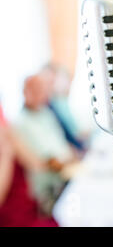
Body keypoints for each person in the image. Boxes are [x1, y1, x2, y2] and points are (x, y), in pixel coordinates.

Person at [14, 74, 78, 214]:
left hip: (66, 174)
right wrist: (68, 162)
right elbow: (46, 162)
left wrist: (73, 154)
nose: (41, 94)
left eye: (42, 90)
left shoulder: (45, 113)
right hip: (48, 188)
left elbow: (61, 143)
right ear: (25, 92)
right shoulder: (19, 123)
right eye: (36, 90)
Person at [0, 103, 59, 227]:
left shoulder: (6, 126)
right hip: (9, 217)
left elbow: (36, 164)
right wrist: (6, 156)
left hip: (29, 206)